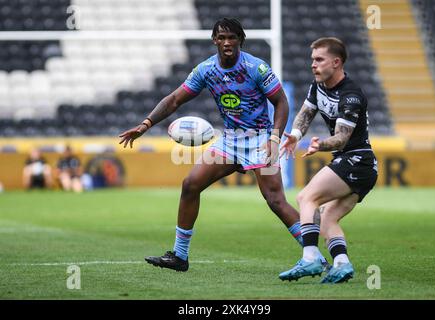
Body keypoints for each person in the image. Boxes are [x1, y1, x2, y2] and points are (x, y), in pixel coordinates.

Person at [119, 18, 328, 272]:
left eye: (232, 37)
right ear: (214, 40)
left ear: (240, 40)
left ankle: (314, 256)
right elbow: (174, 99)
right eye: (222, 37)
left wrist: (274, 138)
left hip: (261, 138)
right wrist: (146, 124)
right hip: (230, 141)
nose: (227, 42)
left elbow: (281, 102)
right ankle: (180, 255)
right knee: (190, 185)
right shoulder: (206, 70)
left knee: (275, 201)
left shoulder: (256, 68)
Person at [278, 37, 378, 283]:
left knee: (306, 197)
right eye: (313, 60)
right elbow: (306, 112)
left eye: (319, 60)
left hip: (357, 160)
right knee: (326, 217)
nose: (313, 65)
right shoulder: (318, 85)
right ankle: (342, 264)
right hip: (357, 164)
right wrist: (296, 135)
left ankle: (310, 257)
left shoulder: (351, 95)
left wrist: (319, 144)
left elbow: (342, 138)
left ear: (336, 62)